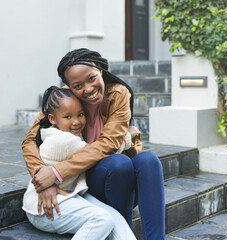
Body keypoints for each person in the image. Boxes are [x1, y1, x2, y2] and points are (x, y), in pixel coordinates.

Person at [22, 48, 165, 240]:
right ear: (68, 86)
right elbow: (30, 140)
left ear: (99, 69)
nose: (88, 89)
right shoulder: (61, 100)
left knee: (148, 160)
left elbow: (108, 143)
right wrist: (43, 178)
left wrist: (56, 172)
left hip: (119, 185)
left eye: (91, 78)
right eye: (78, 85)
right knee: (118, 163)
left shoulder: (118, 93)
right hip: (87, 181)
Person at [22, 86, 136, 240]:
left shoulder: (67, 134)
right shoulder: (63, 140)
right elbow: (102, 151)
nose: (76, 122)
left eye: (80, 114)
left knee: (116, 217)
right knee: (103, 219)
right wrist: (128, 135)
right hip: (44, 207)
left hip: (69, 195)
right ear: (52, 119)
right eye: (68, 117)